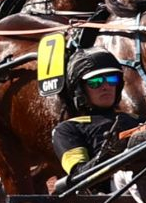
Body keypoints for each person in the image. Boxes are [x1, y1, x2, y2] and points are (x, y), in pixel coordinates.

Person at [47, 46, 133, 192]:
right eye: (95, 81)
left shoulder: (138, 119)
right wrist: (108, 155)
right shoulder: (67, 129)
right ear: (80, 90)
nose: (106, 86)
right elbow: (79, 176)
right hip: (115, 187)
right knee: (131, 172)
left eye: (112, 79)